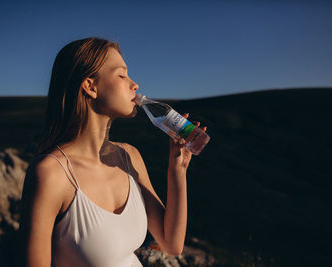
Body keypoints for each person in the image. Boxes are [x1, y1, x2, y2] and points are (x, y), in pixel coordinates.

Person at [18, 37, 207, 267]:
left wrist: (178, 168)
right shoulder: (51, 174)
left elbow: (171, 243)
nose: (134, 84)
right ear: (90, 86)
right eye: (122, 75)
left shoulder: (128, 156)